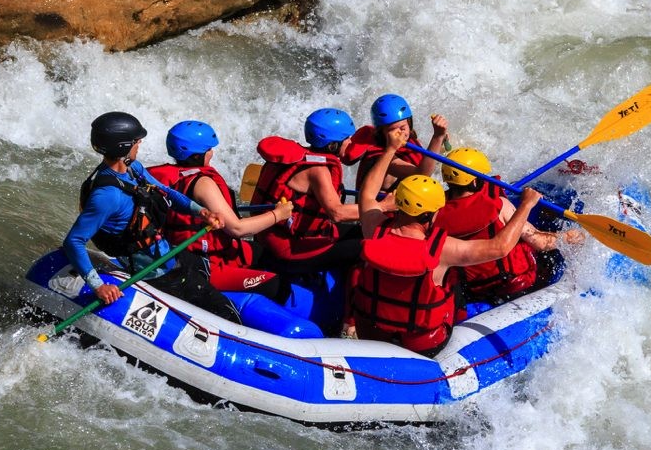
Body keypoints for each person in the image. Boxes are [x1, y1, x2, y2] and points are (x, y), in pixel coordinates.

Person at [344, 127, 543, 354]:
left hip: (373, 332)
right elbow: (500, 247)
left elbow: (367, 195)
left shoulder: (373, 228)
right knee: (452, 278)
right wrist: (526, 204)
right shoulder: (442, 250)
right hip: (421, 343)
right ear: (430, 214)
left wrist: (390, 149)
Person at [63, 111, 238, 320]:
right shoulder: (107, 196)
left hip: (166, 253)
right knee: (228, 312)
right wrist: (98, 286)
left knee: (201, 268)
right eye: (137, 141)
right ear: (124, 147)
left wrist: (201, 212)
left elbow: (167, 192)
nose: (140, 144)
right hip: (157, 274)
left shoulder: (132, 168)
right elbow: (73, 241)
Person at [148, 120, 292, 299]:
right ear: (195, 156)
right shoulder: (203, 183)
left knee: (264, 253)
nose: (212, 152)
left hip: (185, 252)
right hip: (205, 264)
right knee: (276, 284)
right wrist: (278, 214)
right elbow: (237, 229)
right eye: (208, 149)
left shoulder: (160, 176)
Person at [435, 147, 582, 303]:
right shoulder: (499, 206)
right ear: (475, 180)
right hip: (514, 285)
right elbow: (541, 242)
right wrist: (570, 236)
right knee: (549, 251)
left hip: (472, 290)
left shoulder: (434, 212)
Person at [255, 108, 363, 272]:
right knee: (363, 247)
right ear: (333, 145)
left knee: (359, 231)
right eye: (346, 138)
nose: (350, 142)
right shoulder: (318, 171)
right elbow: (337, 213)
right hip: (290, 250)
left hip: (267, 239)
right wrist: (383, 207)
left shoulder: (290, 158)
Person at [347, 93, 450, 197]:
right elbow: (421, 175)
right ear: (381, 132)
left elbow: (426, 161)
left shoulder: (409, 140)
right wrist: (437, 137)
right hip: (383, 211)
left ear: (409, 124)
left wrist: (439, 144)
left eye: (402, 128)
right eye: (392, 130)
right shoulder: (380, 156)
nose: (400, 134)